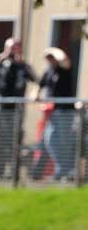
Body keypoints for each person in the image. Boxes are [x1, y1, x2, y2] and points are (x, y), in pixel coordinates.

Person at [0, 37, 36, 181]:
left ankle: (13, 171)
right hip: (1, 106)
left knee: (15, 139)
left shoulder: (22, 66)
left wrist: (22, 64)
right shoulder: (0, 64)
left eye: (15, 48)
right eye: (10, 48)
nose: (12, 51)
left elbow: (35, 78)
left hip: (16, 107)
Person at [37, 47, 75, 181]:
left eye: (51, 57)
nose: (50, 59)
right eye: (48, 57)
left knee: (65, 142)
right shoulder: (48, 72)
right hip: (52, 112)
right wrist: (37, 97)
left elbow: (65, 60)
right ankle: (64, 169)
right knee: (50, 140)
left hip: (66, 111)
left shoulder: (64, 69)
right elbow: (39, 86)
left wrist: (55, 50)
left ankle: (67, 172)